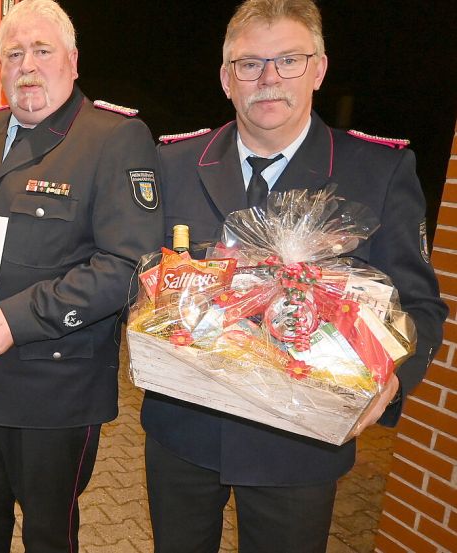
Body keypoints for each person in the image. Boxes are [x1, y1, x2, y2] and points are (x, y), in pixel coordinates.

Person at [144, 1, 448, 551]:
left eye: (288, 60)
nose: (268, 79)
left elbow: (420, 308)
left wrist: (393, 381)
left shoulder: (376, 172)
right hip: (183, 429)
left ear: (319, 68)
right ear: (225, 79)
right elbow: (140, 276)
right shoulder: (172, 163)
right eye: (249, 64)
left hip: (302, 441)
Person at [0, 0, 163, 550]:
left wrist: (19, 318)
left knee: (49, 536)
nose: (27, 65)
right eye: (14, 54)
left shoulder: (114, 138)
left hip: (55, 389)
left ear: (72, 62)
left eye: (42, 51)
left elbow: (130, 267)